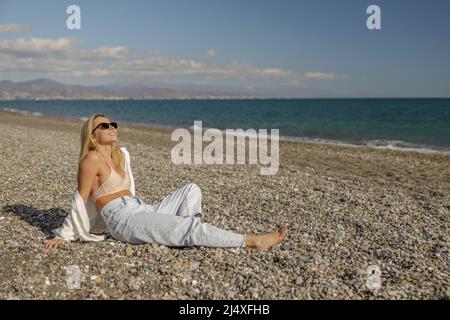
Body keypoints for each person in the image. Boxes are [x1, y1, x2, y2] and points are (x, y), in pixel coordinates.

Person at [43, 113, 287, 251]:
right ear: (92, 134)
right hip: (123, 219)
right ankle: (252, 241)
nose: (112, 127)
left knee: (191, 189)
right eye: (104, 125)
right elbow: (81, 197)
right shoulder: (91, 159)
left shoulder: (120, 155)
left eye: (113, 124)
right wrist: (64, 234)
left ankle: (190, 230)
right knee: (187, 229)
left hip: (140, 208)